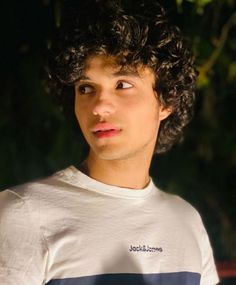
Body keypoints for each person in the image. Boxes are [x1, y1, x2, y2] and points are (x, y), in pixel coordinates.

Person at [0, 1, 219, 284]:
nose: (99, 107)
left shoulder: (186, 221)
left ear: (166, 101)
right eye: (86, 88)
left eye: (122, 85)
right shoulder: (23, 214)